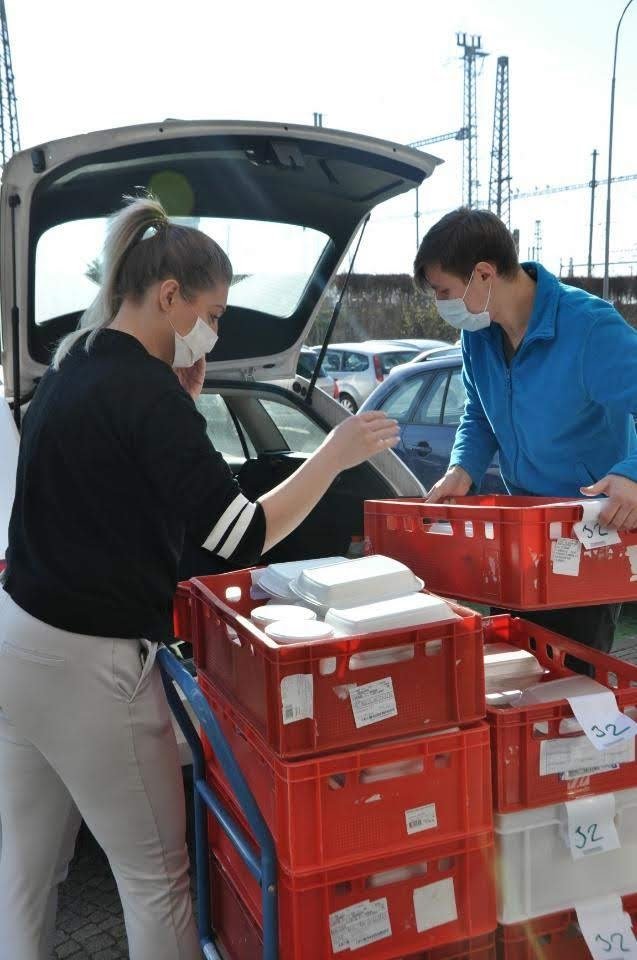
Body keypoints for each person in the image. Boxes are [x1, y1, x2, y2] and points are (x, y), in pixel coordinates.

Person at [0, 195, 399, 960]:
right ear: (168, 295)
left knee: (26, 871)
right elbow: (240, 535)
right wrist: (333, 454)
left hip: (18, 639)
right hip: (90, 662)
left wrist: (178, 406)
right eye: (211, 311)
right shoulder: (145, 393)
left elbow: (111, 486)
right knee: (156, 879)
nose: (212, 330)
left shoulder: (74, 362)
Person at [413, 206, 637, 653]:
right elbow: (478, 412)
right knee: (520, 662)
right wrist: (462, 468)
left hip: (588, 529)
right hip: (522, 530)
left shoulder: (588, 327)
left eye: (444, 291)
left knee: (574, 672)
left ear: (483, 274)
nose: (441, 305)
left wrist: (633, 473)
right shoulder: (478, 334)